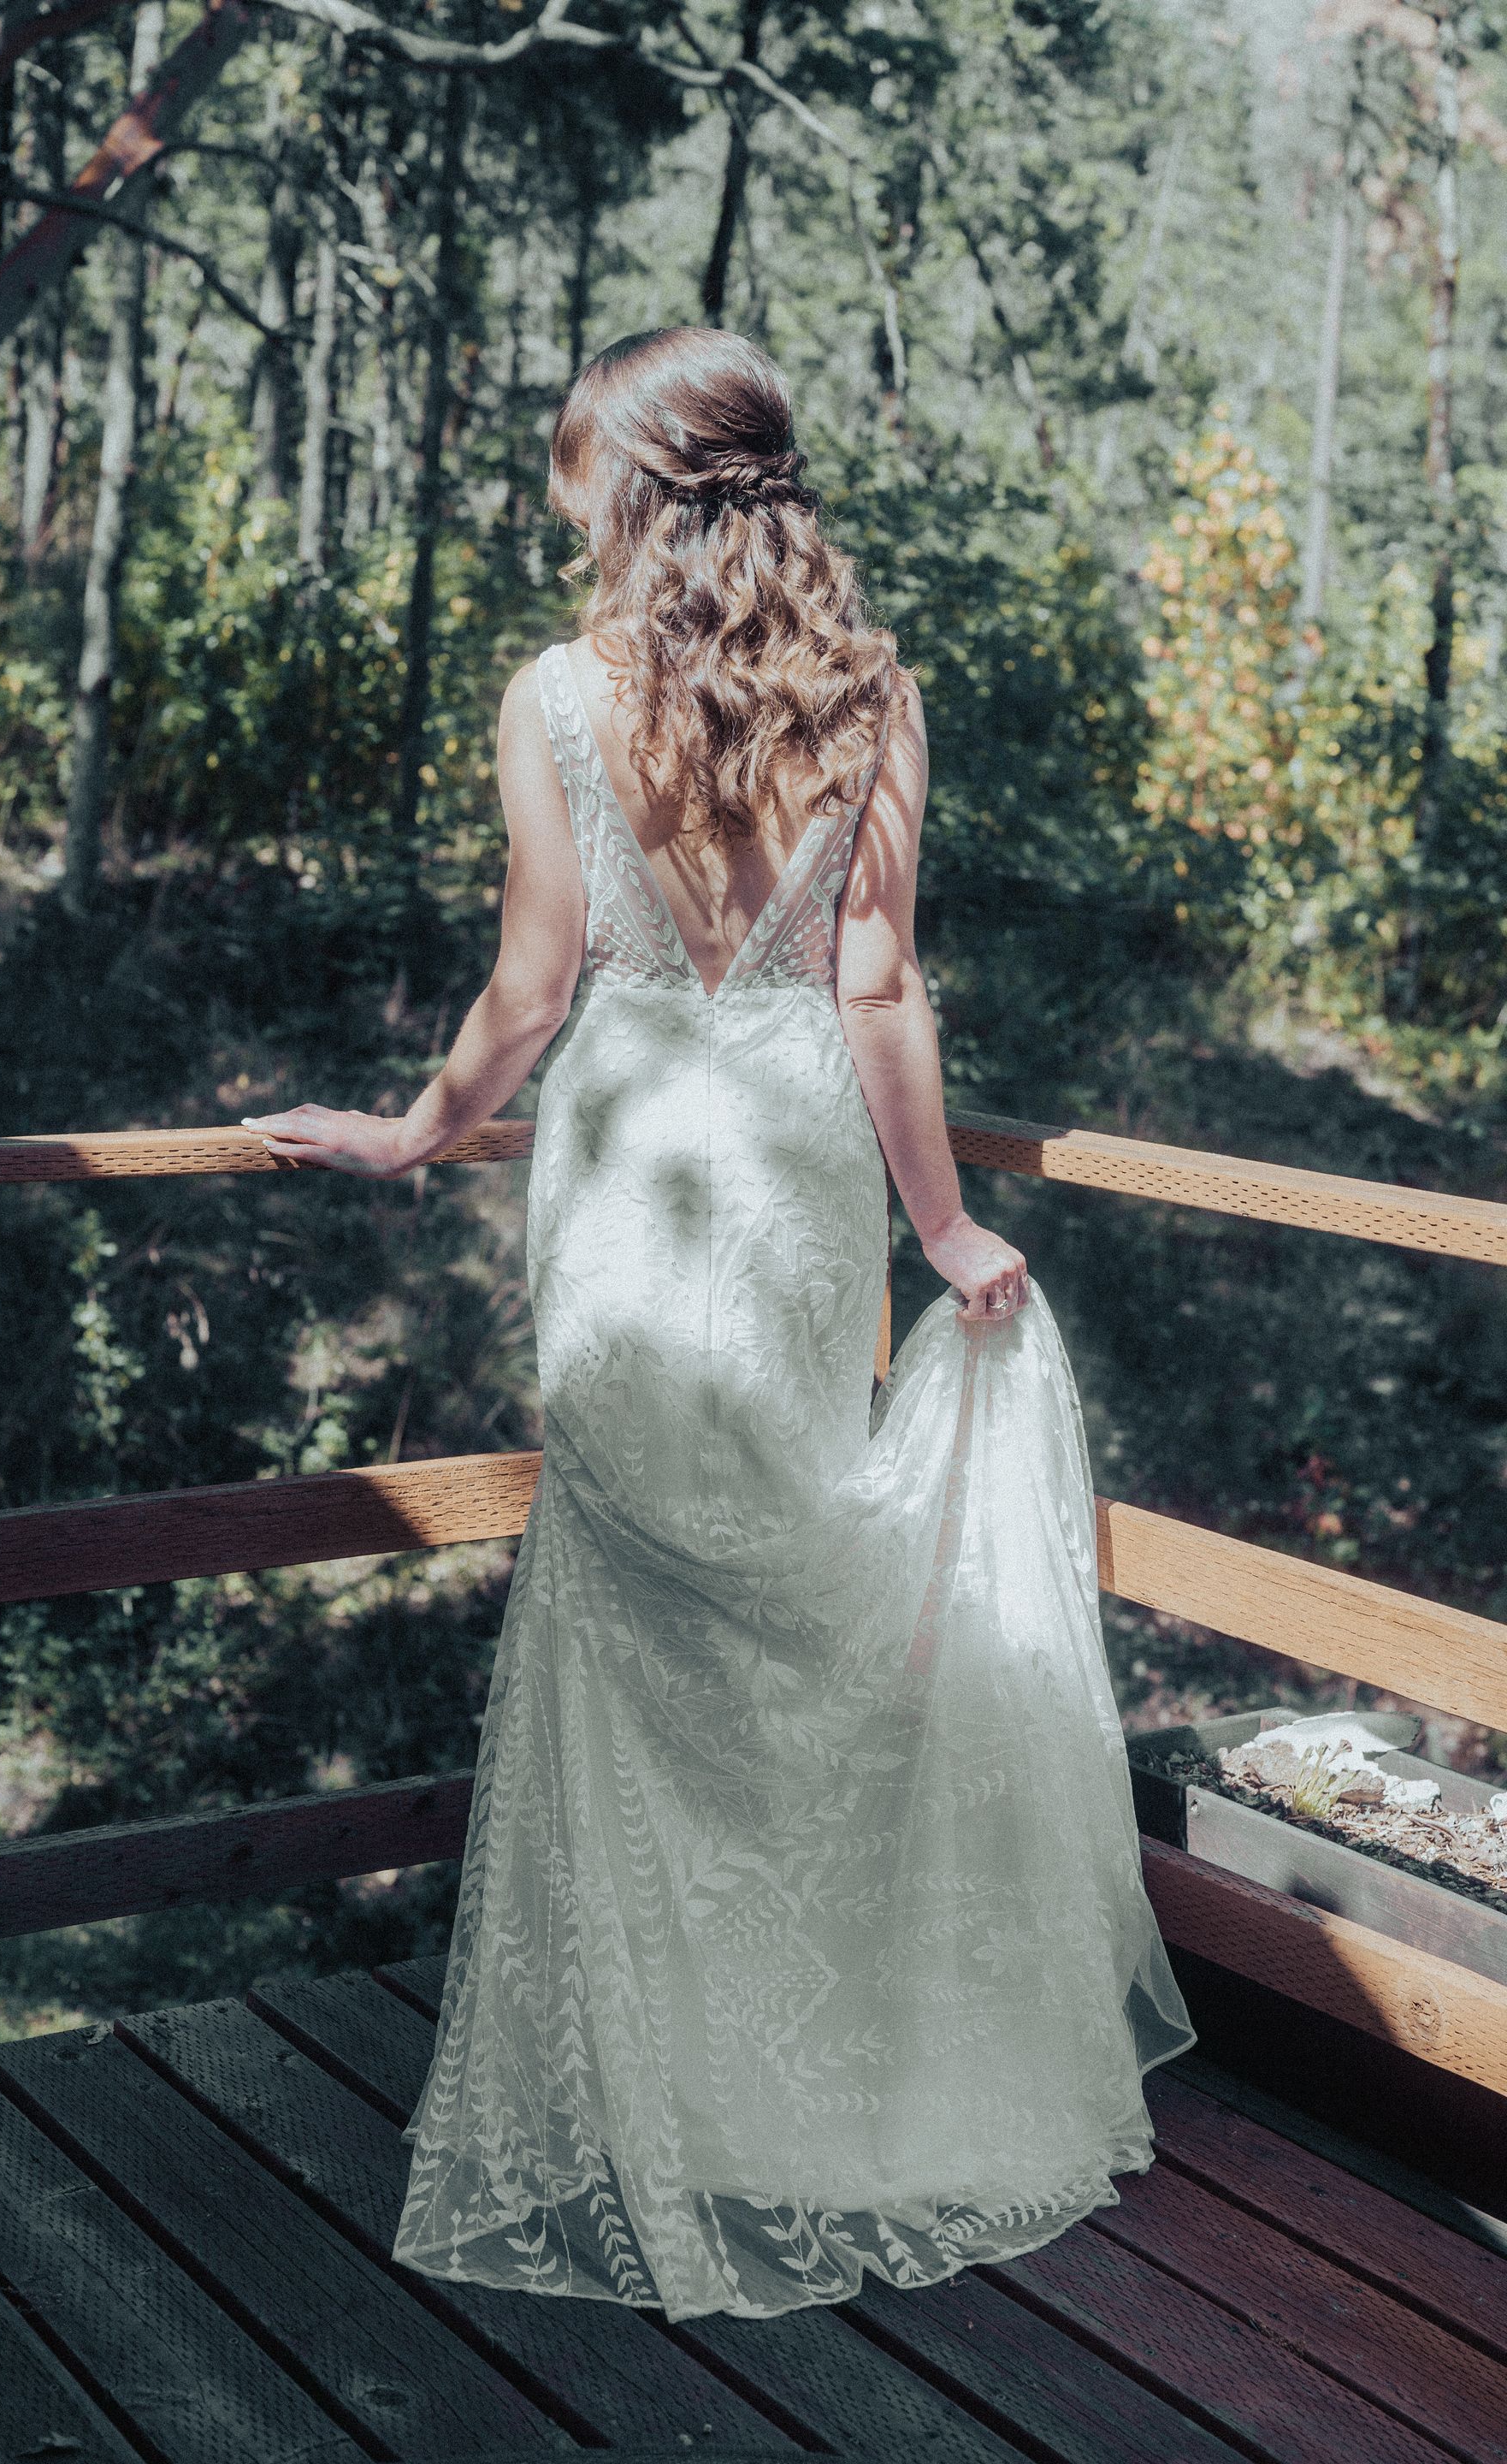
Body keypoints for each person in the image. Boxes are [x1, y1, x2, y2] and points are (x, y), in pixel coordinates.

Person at [243, 326, 1196, 2324]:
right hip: (793, 1161)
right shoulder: (867, 690)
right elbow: (877, 984)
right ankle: (800, 2053)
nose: (568, 509)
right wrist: (942, 1226)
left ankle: (660, 2075)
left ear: (638, 484)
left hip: (632, 1152)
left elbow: (534, 985)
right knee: (795, 1569)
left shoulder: (557, 694)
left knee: (641, 1591)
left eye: (580, 473)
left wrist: (415, 1134)